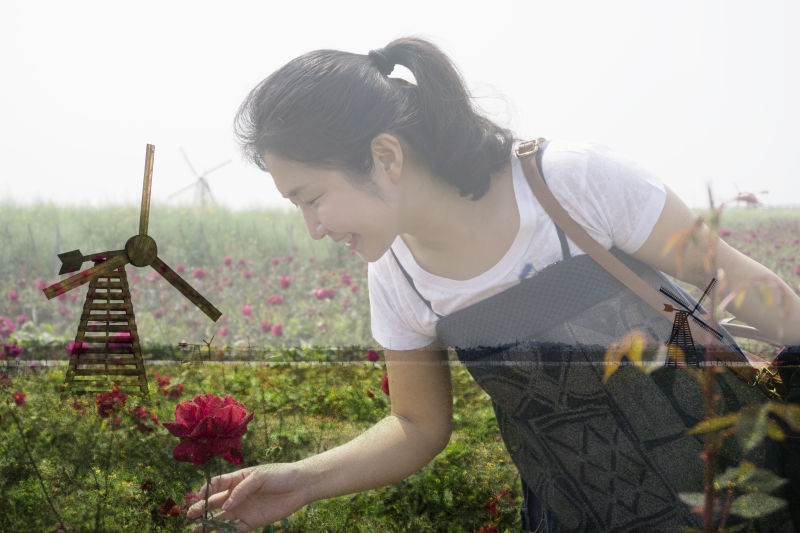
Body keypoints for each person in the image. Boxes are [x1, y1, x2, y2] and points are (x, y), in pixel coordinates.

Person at [187, 37, 800, 531]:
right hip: (581, 513)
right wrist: (304, 479)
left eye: (313, 199)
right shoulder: (398, 277)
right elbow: (417, 425)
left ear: (386, 156)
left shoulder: (569, 182)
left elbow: (729, 279)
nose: (313, 228)